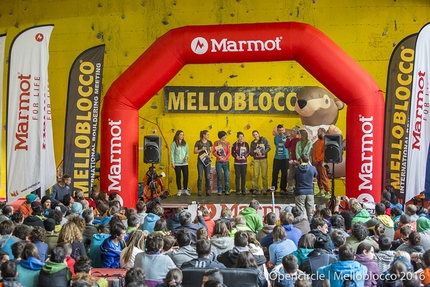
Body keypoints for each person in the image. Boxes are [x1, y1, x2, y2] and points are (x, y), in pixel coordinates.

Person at [294, 153, 318, 221]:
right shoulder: (312, 168)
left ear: (301, 160)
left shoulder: (297, 169)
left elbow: (294, 177)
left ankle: (301, 228)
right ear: (308, 160)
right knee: (310, 213)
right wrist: (310, 164)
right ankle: (311, 228)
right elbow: (316, 174)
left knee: (300, 213)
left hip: (300, 192)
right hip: (310, 192)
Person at [249, 130, 271, 195]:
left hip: (264, 159)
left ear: (258, 134)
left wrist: (263, 152)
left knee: (264, 175)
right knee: (255, 175)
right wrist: (254, 151)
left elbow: (269, 147)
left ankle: (265, 189)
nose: (255, 136)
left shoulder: (264, 140)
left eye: (256, 134)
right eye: (254, 135)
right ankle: (255, 189)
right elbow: (250, 153)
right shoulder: (252, 143)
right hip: (256, 160)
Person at [312, 128, 331, 198]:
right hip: (316, 162)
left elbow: (324, 153)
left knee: (323, 176)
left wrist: (319, 159)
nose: (318, 134)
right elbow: (314, 151)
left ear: (323, 132)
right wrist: (314, 159)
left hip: (322, 162)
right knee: (318, 176)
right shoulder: (317, 142)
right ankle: (321, 191)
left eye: (319, 132)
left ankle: (328, 191)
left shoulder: (326, 141)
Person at [171, 130, 190, 196]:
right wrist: (173, 162)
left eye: (183, 134)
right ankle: (179, 190)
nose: (182, 136)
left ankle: (185, 189)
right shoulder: (174, 143)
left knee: (186, 176)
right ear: (177, 135)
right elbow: (172, 153)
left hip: (184, 163)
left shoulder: (185, 143)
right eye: (181, 134)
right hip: (177, 163)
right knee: (178, 177)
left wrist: (186, 157)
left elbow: (187, 152)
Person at [194, 130, 213, 197]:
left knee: (207, 176)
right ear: (203, 135)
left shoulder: (209, 142)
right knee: (200, 176)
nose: (208, 136)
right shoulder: (198, 142)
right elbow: (195, 151)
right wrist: (201, 149)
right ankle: (199, 190)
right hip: (200, 161)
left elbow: (211, 150)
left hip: (207, 161)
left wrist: (210, 156)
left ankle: (207, 190)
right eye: (207, 134)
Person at [211, 131, 231, 196]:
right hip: (218, 162)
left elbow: (229, 152)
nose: (225, 137)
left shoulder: (228, 143)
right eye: (224, 136)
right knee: (219, 176)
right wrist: (218, 157)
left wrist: (225, 158)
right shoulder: (216, 143)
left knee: (226, 176)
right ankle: (219, 190)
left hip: (226, 162)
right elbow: (214, 152)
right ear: (221, 136)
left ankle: (227, 190)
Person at [272, 124, 289, 193]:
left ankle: (283, 188)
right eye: (279, 130)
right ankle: (274, 187)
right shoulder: (276, 138)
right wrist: (282, 138)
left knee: (284, 173)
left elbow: (287, 145)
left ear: (284, 130)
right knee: (275, 173)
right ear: (277, 131)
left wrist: (285, 137)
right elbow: (277, 143)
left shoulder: (287, 137)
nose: (281, 131)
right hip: (277, 158)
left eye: (282, 130)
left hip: (285, 157)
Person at [231, 131, 249, 195]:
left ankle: (243, 190)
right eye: (240, 137)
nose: (241, 138)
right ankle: (238, 190)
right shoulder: (234, 144)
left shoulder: (246, 144)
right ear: (237, 138)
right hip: (237, 163)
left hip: (244, 162)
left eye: (242, 137)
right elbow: (232, 153)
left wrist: (245, 156)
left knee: (243, 176)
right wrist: (236, 157)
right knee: (237, 176)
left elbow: (248, 152)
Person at [284, 126, 300, 193]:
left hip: (298, 160)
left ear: (296, 132)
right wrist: (288, 138)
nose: (291, 132)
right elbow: (286, 146)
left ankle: (298, 187)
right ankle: (290, 187)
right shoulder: (292, 140)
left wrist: (298, 160)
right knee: (291, 174)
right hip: (292, 159)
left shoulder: (299, 140)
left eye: (293, 131)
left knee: (298, 174)